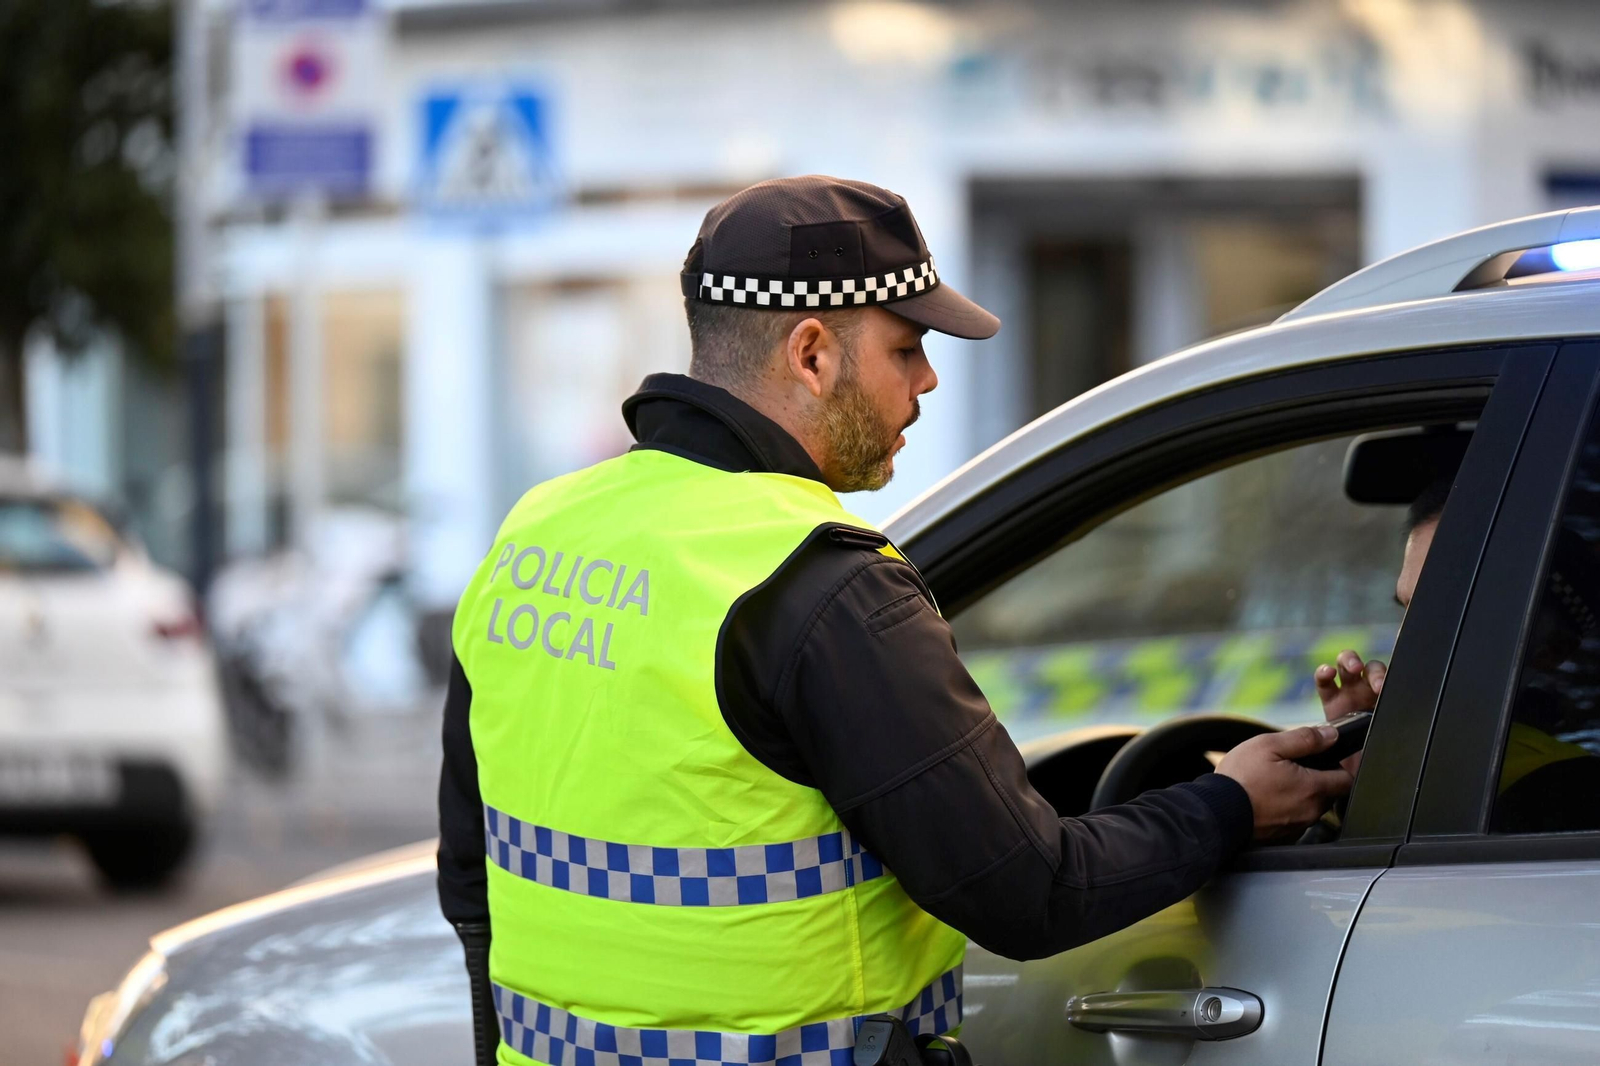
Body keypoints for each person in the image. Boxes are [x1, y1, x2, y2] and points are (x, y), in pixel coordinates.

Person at [436, 175, 1351, 1066]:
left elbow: (471, 887)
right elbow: (1031, 894)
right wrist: (1230, 803)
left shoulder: (539, 532)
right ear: (810, 354)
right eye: (906, 348)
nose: (930, 379)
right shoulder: (819, 583)